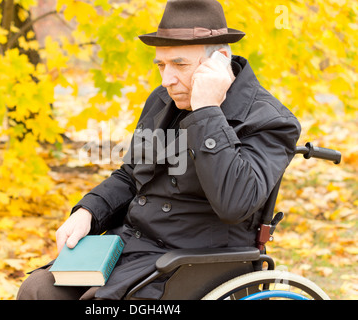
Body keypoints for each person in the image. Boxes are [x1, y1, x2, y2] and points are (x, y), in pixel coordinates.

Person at [17, 0, 301, 300]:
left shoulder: (270, 120)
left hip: (195, 261)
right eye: (161, 66)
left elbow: (235, 204)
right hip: (133, 248)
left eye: (179, 64)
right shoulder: (162, 100)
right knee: (38, 290)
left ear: (219, 61)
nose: (167, 80)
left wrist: (207, 111)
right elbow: (131, 175)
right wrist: (89, 210)